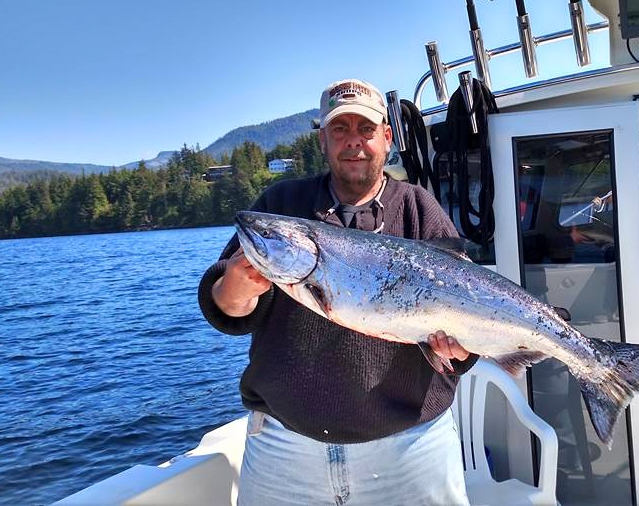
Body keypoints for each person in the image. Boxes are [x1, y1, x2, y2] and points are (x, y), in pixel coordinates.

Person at [197, 78, 477, 505]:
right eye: (340, 130)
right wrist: (234, 289)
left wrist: (461, 350)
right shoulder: (279, 207)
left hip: (410, 446)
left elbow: (471, 310)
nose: (354, 143)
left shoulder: (418, 207)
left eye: (365, 130)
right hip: (285, 450)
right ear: (322, 139)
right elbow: (226, 306)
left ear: (386, 138)